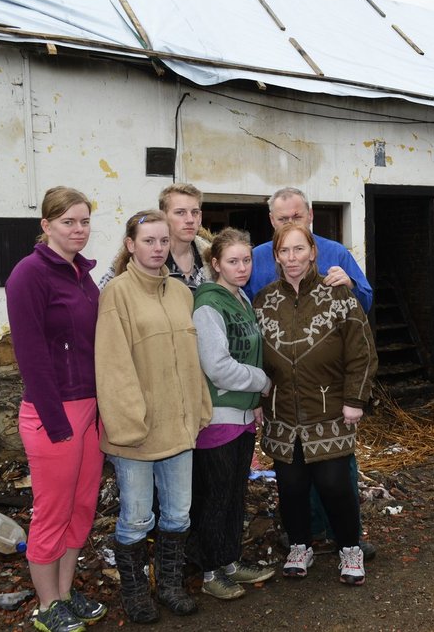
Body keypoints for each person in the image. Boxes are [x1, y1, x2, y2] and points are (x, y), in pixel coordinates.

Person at [244, 187, 375, 560]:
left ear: (311, 215)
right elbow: (249, 317)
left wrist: (349, 286)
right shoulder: (256, 260)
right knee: (293, 477)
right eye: (282, 219)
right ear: (271, 222)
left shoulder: (335, 253)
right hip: (284, 398)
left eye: (296, 217)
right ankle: (305, 534)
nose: (289, 226)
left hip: (327, 394)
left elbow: (363, 306)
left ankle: (345, 537)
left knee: (336, 475)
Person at [95, 210, 212, 624]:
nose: (158, 248)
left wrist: (200, 408)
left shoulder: (181, 293)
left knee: (179, 514)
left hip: (178, 428)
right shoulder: (117, 294)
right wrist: (128, 425)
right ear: (130, 245)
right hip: (137, 433)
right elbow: (112, 365)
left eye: (163, 241)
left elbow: (192, 360)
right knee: (136, 517)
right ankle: (135, 593)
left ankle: (170, 586)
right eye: (148, 241)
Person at [5, 186, 107, 632]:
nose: (79, 230)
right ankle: (47, 606)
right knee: (52, 510)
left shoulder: (82, 276)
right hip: (54, 414)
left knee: (82, 507)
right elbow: (30, 355)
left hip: (90, 409)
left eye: (84, 221)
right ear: (45, 225)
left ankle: (65, 593)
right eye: (68, 222)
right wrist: (56, 421)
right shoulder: (29, 275)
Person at [190, 228, 276, 600]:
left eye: (246, 260)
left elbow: (249, 352)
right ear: (215, 264)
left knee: (235, 495)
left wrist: (255, 402)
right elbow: (217, 366)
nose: (242, 268)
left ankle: (229, 561)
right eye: (232, 261)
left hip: (242, 416)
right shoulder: (209, 303)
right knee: (215, 498)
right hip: (218, 416)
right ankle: (210, 572)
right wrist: (262, 382)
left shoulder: (241, 298)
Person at [97, 183, 211, 290]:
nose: (190, 220)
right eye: (180, 212)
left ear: (200, 217)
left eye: (195, 212)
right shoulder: (139, 254)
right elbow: (103, 294)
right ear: (163, 215)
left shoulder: (212, 256)